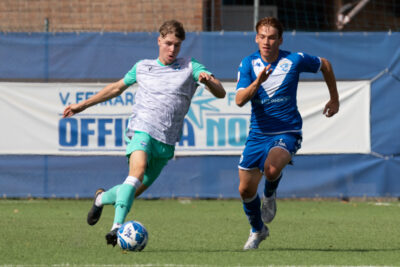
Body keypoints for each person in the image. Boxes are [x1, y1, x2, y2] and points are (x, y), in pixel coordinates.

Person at [63, 20, 226, 247]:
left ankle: (100, 198)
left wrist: (209, 82)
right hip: (142, 130)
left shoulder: (190, 66)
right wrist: (83, 105)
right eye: (168, 43)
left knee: (131, 190)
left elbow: (221, 92)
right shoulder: (143, 67)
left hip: (166, 142)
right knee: (137, 171)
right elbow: (115, 88)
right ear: (159, 41)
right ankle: (116, 228)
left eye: (177, 45)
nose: (172, 49)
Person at [235, 17, 339, 250]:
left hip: (287, 130)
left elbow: (326, 65)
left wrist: (334, 98)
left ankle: (270, 194)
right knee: (245, 190)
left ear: (280, 40)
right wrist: (258, 83)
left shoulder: (294, 59)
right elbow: (240, 100)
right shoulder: (248, 63)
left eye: (272, 37)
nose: (266, 42)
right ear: (256, 38)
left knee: (271, 168)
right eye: (262, 36)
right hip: (258, 134)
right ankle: (258, 230)